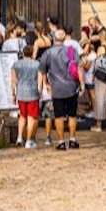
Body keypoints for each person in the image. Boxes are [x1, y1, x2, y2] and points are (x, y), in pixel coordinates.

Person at [38, 19, 82, 150]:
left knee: (59, 115)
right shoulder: (71, 50)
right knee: (72, 114)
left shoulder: (48, 53)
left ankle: (61, 141)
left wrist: (45, 83)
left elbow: (42, 70)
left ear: (54, 38)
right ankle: (73, 139)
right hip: (71, 86)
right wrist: (82, 83)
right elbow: (78, 67)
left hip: (56, 88)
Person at [11, 40, 43, 149]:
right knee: (31, 117)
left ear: (23, 53)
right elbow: (39, 80)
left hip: (21, 92)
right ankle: (29, 140)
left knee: (22, 116)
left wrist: (13, 93)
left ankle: (19, 137)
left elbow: (13, 81)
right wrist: (40, 91)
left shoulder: (16, 64)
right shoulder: (37, 64)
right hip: (33, 92)